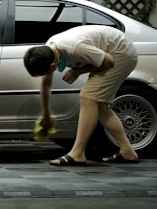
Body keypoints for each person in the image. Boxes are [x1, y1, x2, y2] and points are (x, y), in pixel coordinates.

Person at [23, 24, 139, 166]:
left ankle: (77, 153)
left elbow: (109, 61)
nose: (48, 75)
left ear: (52, 66)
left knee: (87, 97)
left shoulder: (74, 48)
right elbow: (46, 85)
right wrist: (46, 114)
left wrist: (77, 71)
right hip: (111, 51)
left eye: (47, 72)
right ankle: (127, 151)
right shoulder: (48, 50)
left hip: (121, 54)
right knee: (100, 105)